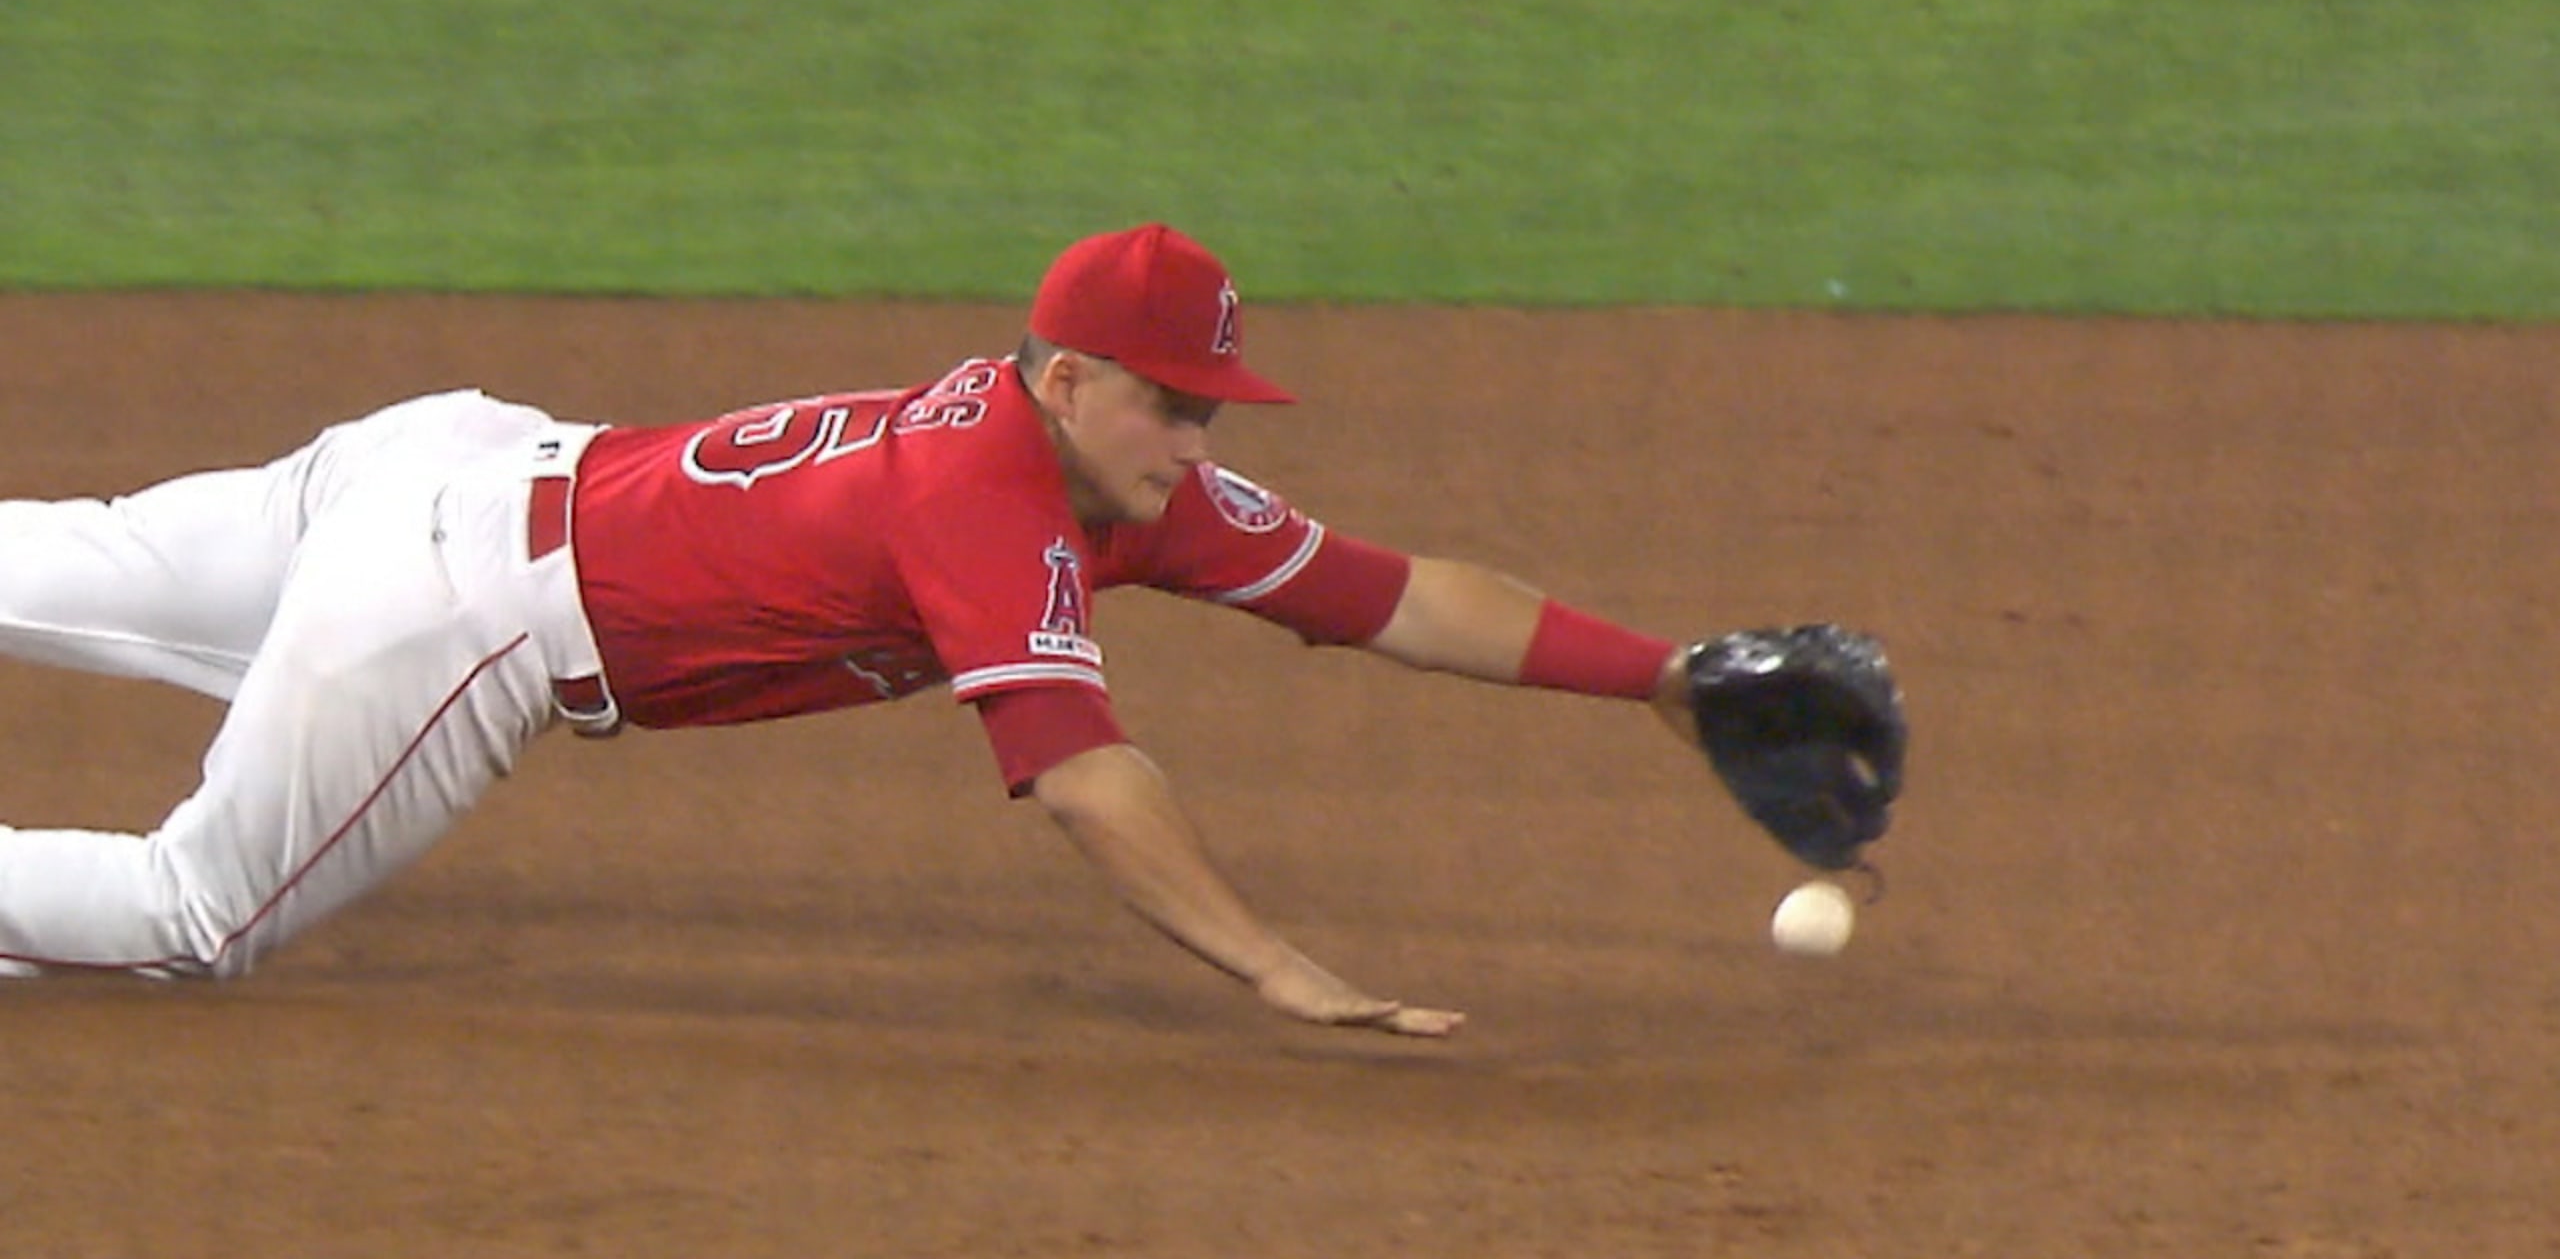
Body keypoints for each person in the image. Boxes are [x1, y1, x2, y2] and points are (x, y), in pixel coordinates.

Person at [0, 224, 1710, 1038]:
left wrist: (1665, 679)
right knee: (190, 917)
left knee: (56, 561)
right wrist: (1274, 964)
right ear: (1068, 379)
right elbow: (1079, 773)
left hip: (440, 466)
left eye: (1214, 411)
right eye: (1174, 407)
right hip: (457, 614)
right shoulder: (982, 497)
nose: (1201, 445)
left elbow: (1391, 595)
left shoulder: (1118, 484)